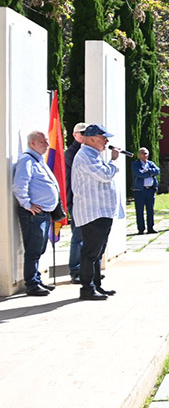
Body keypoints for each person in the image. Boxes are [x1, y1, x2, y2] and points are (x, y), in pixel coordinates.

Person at [72, 124, 125, 300]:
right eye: (104, 138)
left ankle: (96, 285)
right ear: (93, 138)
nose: (107, 141)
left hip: (101, 212)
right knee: (90, 253)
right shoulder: (86, 156)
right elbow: (104, 175)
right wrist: (114, 160)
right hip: (92, 213)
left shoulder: (93, 155)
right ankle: (87, 288)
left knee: (97, 253)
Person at [12, 131, 61, 296]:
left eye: (46, 142)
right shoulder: (27, 160)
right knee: (33, 249)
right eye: (43, 142)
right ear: (32, 143)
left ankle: (37, 279)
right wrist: (27, 204)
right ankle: (32, 284)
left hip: (44, 213)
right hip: (33, 214)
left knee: (39, 248)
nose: (47, 145)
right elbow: (19, 184)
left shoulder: (38, 160)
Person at [64, 122, 87, 283]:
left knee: (88, 237)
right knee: (77, 236)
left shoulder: (86, 151)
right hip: (75, 199)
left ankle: (86, 270)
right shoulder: (71, 153)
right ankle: (75, 269)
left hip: (87, 200)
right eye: (82, 133)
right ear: (75, 135)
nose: (85, 135)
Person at [130, 147, 160, 235]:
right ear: (139, 155)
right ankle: (141, 229)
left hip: (150, 190)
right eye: (143, 153)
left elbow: (157, 170)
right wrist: (150, 174)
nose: (145, 155)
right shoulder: (135, 164)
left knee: (150, 210)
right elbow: (139, 174)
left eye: (146, 153)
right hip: (139, 190)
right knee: (139, 210)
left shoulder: (150, 163)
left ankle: (150, 227)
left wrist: (148, 171)